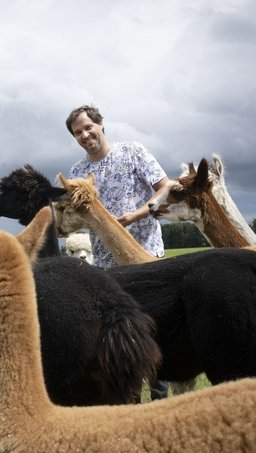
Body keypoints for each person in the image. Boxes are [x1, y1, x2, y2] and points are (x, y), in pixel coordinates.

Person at [66, 104, 170, 400]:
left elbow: (164, 188)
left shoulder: (133, 152)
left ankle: (160, 400)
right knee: (122, 334)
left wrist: (133, 217)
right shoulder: (78, 171)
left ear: (101, 125)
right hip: (107, 267)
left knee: (154, 328)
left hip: (146, 257)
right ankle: (130, 399)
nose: (85, 135)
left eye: (88, 127)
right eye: (78, 133)